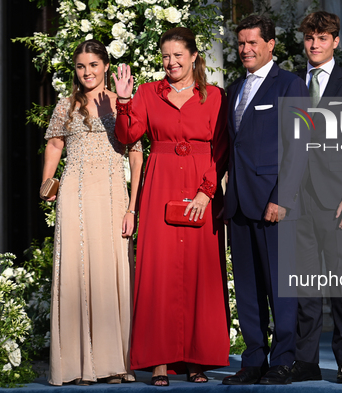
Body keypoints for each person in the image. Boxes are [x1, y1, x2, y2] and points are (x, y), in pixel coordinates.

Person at [113, 27, 229, 386]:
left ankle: (198, 359)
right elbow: (128, 135)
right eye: (166, 56)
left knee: (201, 272)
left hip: (200, 188)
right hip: (160, 184)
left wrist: (206, 192)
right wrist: (124, 101)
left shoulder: (214, 96)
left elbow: (222, 148)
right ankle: (158, 360)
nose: (171, 62)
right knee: (158, 272)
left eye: (178, 54)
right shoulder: (148, 92)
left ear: (194, 56)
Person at [42, 39, 143, 386]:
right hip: (74, 192)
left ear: (106, 66)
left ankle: (114, 364)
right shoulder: (65, 105)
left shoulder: (122, 102)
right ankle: (76, 366)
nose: (87, 72)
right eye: (81, 66)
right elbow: (55, 143)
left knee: (111, 272)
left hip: (113, 193)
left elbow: (136, 154)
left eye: (94, 65)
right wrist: (47, 183)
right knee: (76, 270)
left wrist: (133, 206)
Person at [222, 15, 309, 385]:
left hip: (275, 203)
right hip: (240, 202)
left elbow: (300, 146)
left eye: (252, 43)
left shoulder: (291, 85)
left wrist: (282, 198)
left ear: (270, 45)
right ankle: (253, 360)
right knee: (248, 288)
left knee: (280, 287)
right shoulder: (234, 88)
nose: (245, 50)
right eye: (241, 43)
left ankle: (283, 361)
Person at [291, 11, 342, 385]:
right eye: (309, 37)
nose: (315, 44)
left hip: (337, 198)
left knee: (341, 286)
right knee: (305, 285)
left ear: (336, 41)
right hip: (297, 199)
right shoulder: (292, 83)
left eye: (322, 37)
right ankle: (305, 361)